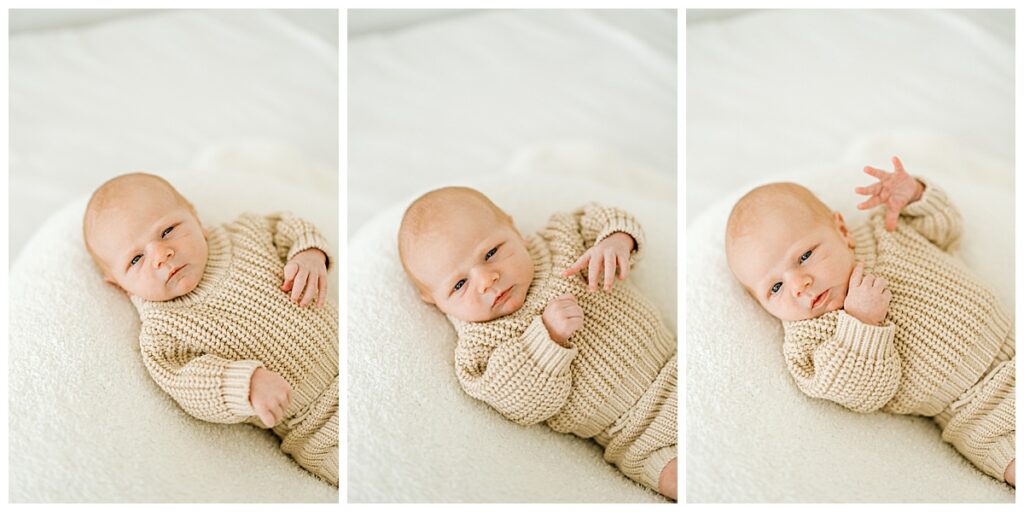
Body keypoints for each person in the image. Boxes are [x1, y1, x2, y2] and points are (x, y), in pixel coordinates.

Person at [725, 157, 1015, 486]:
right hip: (976, 410)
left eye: (804, 256)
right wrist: (861, 323)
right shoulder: (810, 339)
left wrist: (916, 196)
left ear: (841, 230)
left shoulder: (884, 232)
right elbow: (863, 393)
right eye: (775, 288)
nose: (799, 285)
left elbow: (945, 232)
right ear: (761, 304)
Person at [398, 186, 677, 499]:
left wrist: (616, 242)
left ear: (513, 229)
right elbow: (521, 403)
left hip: (678, 367)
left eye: (490, 253)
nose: (487, 279)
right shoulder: (479, 349)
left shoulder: (561, 240)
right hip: (637, 435)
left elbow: (603, 217)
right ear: (433, 300)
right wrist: (548, 337)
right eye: (460, 284)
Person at [83, 172, 338, 486]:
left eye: (167, 231)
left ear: (195, 218)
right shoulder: (163, 334)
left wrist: (309, 254)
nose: (160, 255)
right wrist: (246, 384)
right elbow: (190, 383)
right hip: (317, 425)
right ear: (121, 286)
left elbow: (288, 226)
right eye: (136, 259)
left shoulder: (245, 233)